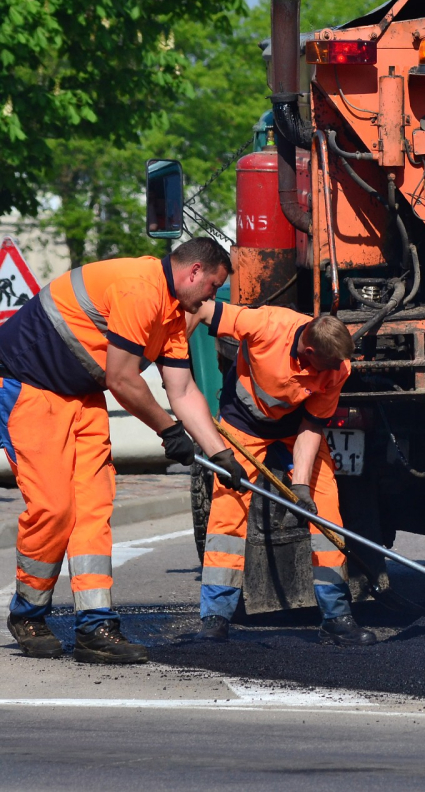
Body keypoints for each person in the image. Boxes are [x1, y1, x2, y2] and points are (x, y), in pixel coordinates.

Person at [0, 238, 245, 664]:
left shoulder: (173, 314)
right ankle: (28, 614)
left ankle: (96, 627)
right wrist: (168, 431)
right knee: (55, 509)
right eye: (211, 287)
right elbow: (121, 377)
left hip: (82, 395)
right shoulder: (141, 288)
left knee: (94, 510)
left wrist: (219, 454)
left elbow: (183, 389)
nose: (210, 297)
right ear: (194, 273)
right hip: (28, 387)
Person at [189, 299, 375, 646]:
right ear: (307, 350)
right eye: (328, 364)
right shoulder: (266, 325)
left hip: (296, 431)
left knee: (326, 514)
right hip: (243, 426)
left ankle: (336, 617)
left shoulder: (338, 368)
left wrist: (301, 486)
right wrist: (174, 367)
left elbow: (312, 425)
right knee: (227, 516)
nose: (336, 370)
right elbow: (200, 310)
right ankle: (215, 618)